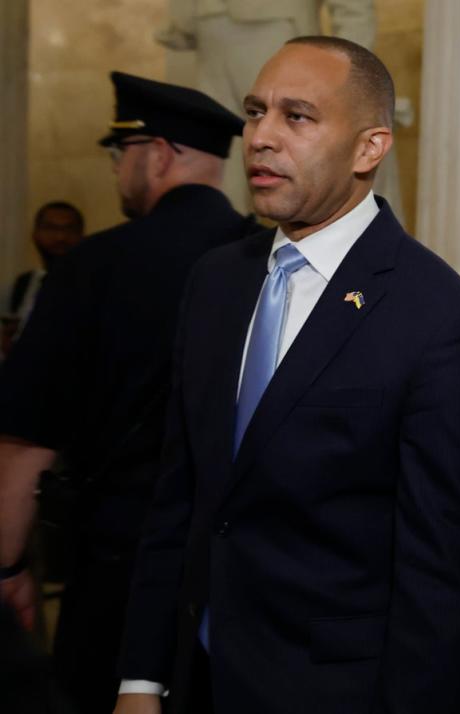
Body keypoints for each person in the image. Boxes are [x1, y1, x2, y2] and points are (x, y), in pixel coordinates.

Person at [113, 37, 460, 714]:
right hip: (192, 680)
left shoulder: (437, 317)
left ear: (368, 148)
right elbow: (178, 496)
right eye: (255, 111)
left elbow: (441, 571)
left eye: (296, 117)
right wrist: (141, 679)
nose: (260, 137)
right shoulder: (215, 280)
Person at [0, 71, 257, 714]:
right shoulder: (269, 263)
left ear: (160, 154)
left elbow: (25, 436)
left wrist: (8, 567)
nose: (117, 173)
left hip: (116, 564)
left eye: (122, 154)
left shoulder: (92, 266)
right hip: (237, 577)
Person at [2, 201, 85, 357]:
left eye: (69, 229)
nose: (60, 237)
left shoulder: (93, 285)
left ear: (82, 235)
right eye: (51, 228)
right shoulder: (23, 284)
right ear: (35, 234)